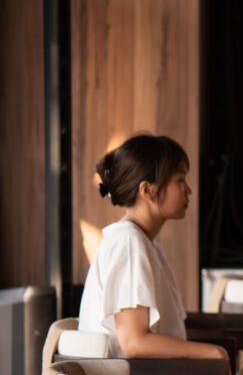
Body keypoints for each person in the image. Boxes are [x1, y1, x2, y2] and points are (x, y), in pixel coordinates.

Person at [78, 134, 228, 361]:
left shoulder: (141, 241)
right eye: (180, 180)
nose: (188, 190)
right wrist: (213, 352)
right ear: (147, 191)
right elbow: (134, 343)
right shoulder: (128, 242)